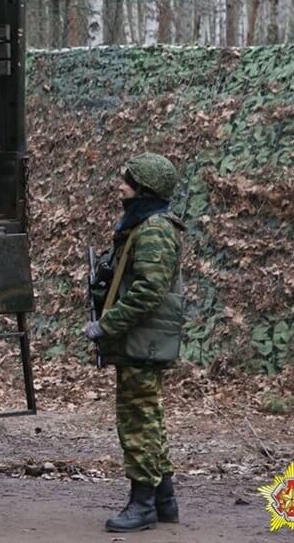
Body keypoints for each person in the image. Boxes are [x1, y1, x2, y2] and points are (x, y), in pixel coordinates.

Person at [84, 152, 186, 532]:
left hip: (143, 341)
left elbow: (147, 292)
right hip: (143, 340)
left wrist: (106, 326)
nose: (121, 185)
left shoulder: (155, 229)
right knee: (150, 417)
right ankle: (164, 501)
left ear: (145, 190)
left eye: (128, 181)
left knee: (137, 420)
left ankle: (142, 505)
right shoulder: (143, 225)